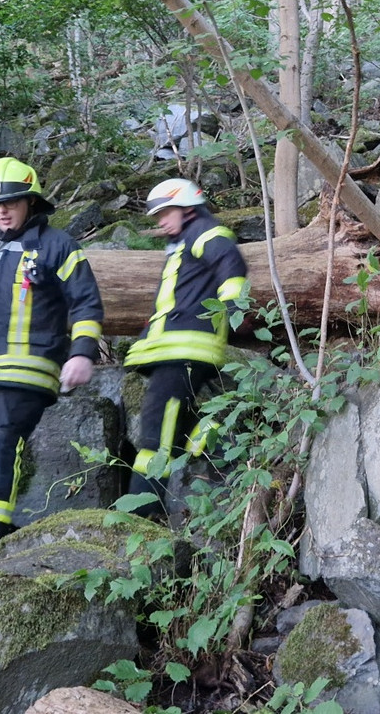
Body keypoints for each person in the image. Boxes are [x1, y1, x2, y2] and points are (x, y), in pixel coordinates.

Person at [0, 157, 103, 563]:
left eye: (12, 202)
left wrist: (83, 354)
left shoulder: (57, 246)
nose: (1, 210)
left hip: (24, 373)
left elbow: (86, 303)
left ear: (31, 202)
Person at [122, 178, 248, 519]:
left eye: (166, 212)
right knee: (181, 425)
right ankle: (228, 453)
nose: (160, 221)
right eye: (157, 215)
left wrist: (233, 305)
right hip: (177, 350)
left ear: (188, 206)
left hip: (186, 350)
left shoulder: (205, 233)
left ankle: (141, 517)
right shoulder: (183, 243)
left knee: (155, 437)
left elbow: (231, 266)